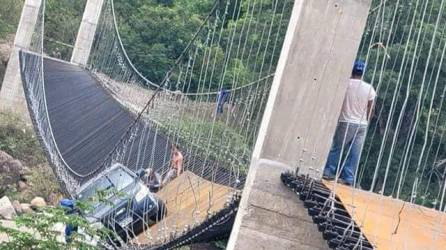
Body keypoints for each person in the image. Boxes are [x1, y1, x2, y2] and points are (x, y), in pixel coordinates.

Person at [322, 60, 376, 186]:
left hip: (346, 121)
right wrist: (366, 120)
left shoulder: (345, 84)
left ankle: (329, 172)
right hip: (361, 124)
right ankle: (348, 178)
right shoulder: (369, 88)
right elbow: (371, 108)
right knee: (354, 153)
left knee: (337, 148)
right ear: (363, 72)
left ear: (352, 70)